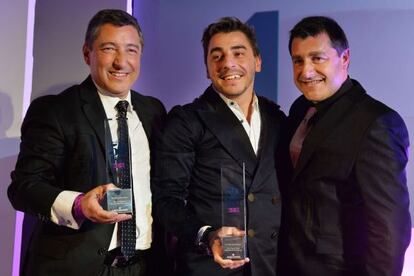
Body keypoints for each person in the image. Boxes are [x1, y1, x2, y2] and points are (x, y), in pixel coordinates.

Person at [8, 9, 168, 276]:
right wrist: (78, 204)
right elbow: (24, 188)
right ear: (87, 54)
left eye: (131, 50)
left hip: (144, 266)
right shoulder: (55, 110)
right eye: (109, 48)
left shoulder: (154, 111)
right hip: (75, 265)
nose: (121, 62)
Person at [152, 17, 286, 276]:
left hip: (269, 265)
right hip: (209, 267)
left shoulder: (277, 118)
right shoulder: (186, 121)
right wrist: (207, 236)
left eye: (238, 53)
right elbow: (166, 200)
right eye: (217, 56)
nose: (228, 64)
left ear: (257, 61)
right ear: (207, 68)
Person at [280, 16, 411, 276]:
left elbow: (388, 230)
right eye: (298, 60)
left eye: (317, 58)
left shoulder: (376, 122)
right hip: (288, 265)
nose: (306, 71)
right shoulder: (299, 109)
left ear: (345, 58)